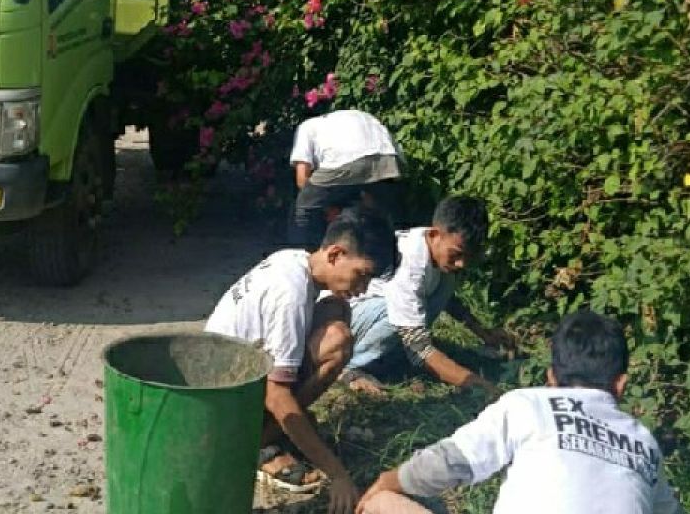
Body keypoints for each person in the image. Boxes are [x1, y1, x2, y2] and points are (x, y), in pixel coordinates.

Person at [357, 310, 685, 514]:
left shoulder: (529, 404)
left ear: (551, 378)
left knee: (381, 506)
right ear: (621, 384)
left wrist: (386, 483)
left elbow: (448, 463)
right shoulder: (643, 441)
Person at [204, 208, 397, 514]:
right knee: (337, 342)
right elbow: (275, 393)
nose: (362, 288)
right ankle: (255, 444)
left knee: (336, 310)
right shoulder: (290, 294)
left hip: (229, 371)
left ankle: (277, 429)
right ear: (335, 254)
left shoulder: (292, 258)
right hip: (223, 402)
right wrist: (337, 473)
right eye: (362, 275)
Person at [341, 195, 507, 395]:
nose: (461, 263)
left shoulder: (440, 258)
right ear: (435, 234)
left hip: (377, 319)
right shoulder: (409, 264)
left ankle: (387, 358)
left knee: (440, 286)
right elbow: (419, 348)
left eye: (467, 256)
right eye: (456, 254)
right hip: (347, 321)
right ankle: (349, 367)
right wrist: (478, 384)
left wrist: (483, 332)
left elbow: (446, 298)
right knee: (393, 314)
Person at [287, 108, 403, 246]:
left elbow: (302, 178)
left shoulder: (307, 126)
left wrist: (324, 207)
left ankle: (303, 252)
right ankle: (385, 249)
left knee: (304, 206)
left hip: (345, 160)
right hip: (388, 158)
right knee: (374, 210)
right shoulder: (355, 115)